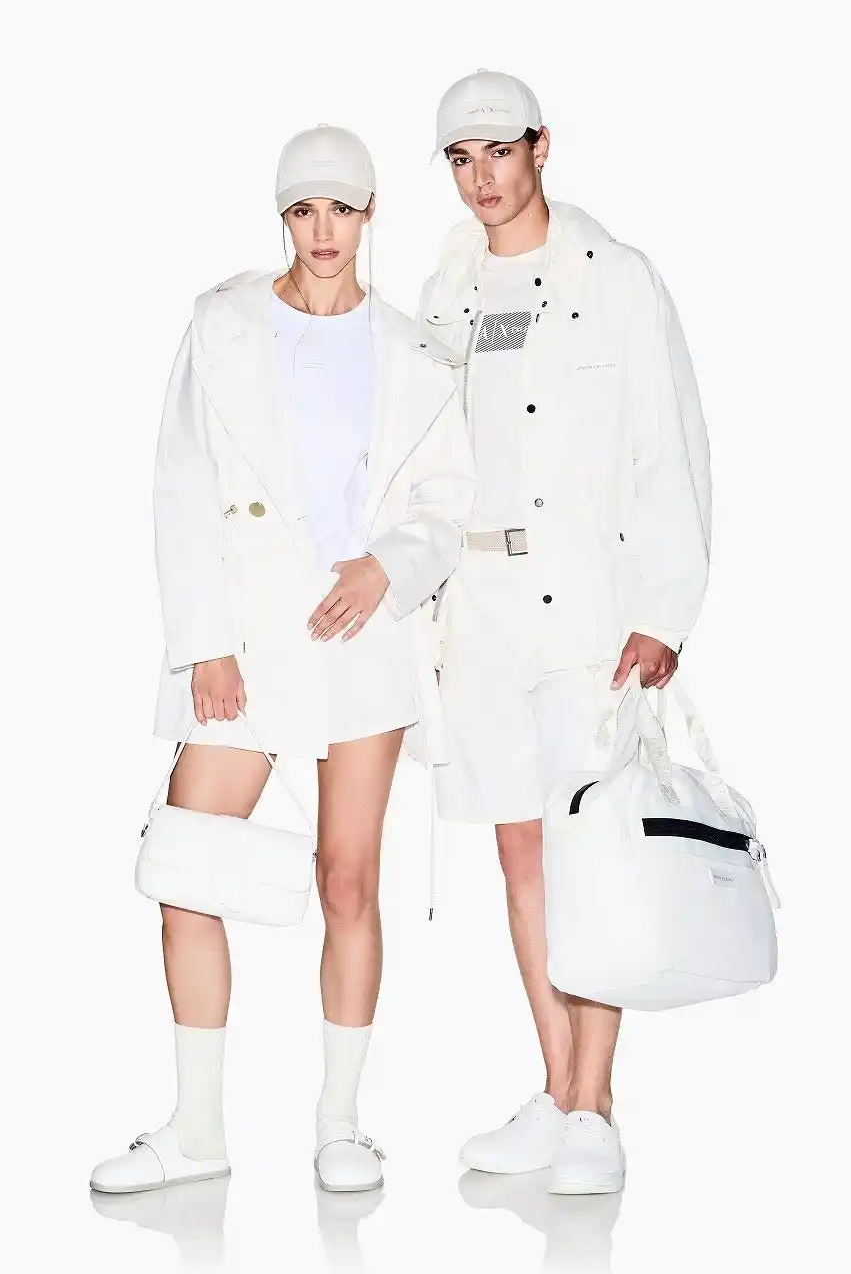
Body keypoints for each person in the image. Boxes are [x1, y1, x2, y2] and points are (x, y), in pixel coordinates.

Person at [90, 124, 475, 1196]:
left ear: (368, 214)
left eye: (340, 209)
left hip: (361, 637)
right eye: (304, 210)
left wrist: (387, 567)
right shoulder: (223, 326)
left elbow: (446, 504)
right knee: (183, 870)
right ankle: (196, 1127)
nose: (322, 230)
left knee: (348, 879)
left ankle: (340, 1125)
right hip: (248, 643)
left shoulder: (413, 353)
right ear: (283, 217)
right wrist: (206, 644)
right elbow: (178, 486)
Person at [420, 71, 711, 1193]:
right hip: (481, 610)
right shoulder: (449, 288)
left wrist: (663, 609)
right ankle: (555, 1092)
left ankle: (595, 1108)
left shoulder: (616, 278)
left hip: (586, 608)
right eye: (460, 159)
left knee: (591, 853)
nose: (480, 178)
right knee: (521, 856)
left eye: (498, 151)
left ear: (541, 146)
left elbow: (667, 444)